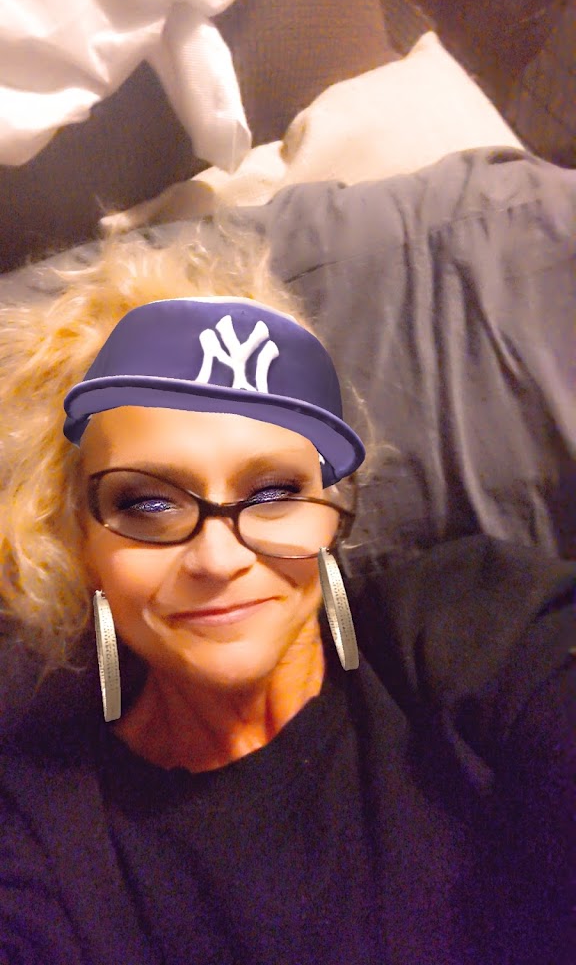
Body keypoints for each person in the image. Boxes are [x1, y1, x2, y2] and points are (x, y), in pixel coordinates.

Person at [0, 232, 574, 965]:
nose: (218, 559)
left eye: (273, 492)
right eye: (146, 503)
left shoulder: (471, 625)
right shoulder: (45, 832)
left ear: (332, 510)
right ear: (78, 540)